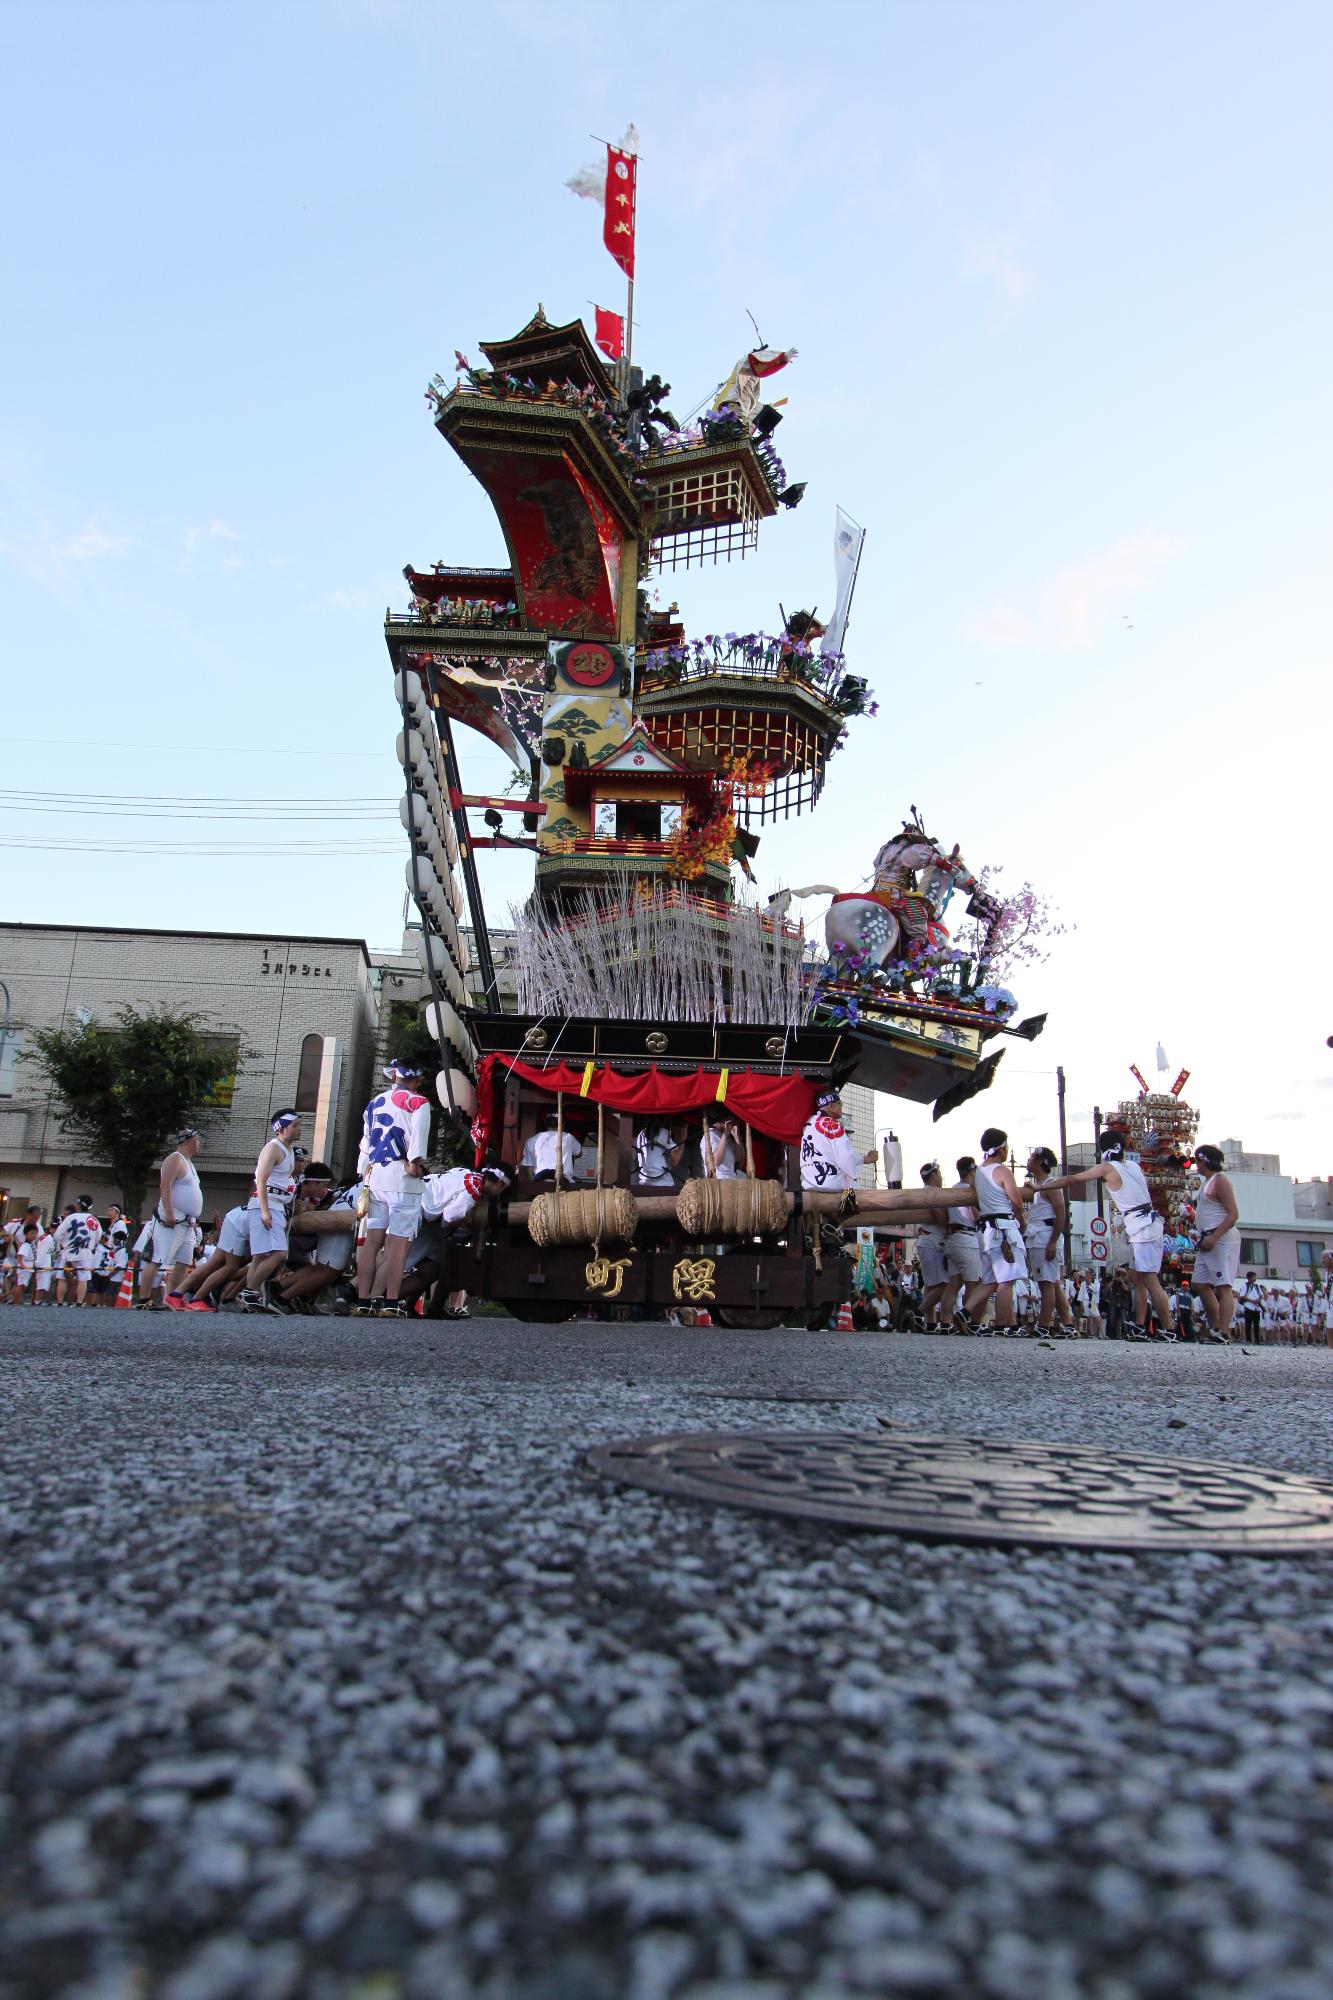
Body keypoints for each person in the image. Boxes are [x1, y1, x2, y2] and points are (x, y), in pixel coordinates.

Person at [1041, 1132, 1176, 1342]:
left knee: (1149, 1279)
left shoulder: (1107, 1168)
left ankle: (1169, 1329)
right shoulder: (1134, 1166)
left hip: (1141, 1227)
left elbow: (1072, 1179)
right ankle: (1140, 1326)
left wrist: (1041, 1186)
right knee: (1137, 1278)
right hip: (1147, 1223)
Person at [353, 1059, 433, 1316]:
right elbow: (418, 1138)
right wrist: (415, 1161)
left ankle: (363, 1300)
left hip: (375, 1174)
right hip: (402, 1175)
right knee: (398, 1243)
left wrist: (362, 1174)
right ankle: (390, 1302)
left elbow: (365, 1143)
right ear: (416, 1078)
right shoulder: (418, 1102)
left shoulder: (374, 1103)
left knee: (373, 1240)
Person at [957, 1128, 1027, 1334]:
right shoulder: (1002, 1171)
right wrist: (1021, 1221)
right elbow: (1017, 1201)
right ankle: (1001, 1326)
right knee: (1006, 1281)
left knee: (990, 1281)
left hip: (986, 1231)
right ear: (1002, 1148)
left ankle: (964, 1312)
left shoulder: (978, 1173)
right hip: (1004, 1228)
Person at [237, 1110, 303, 1311]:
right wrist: (265, 1210)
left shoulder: (288, 1149)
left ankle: (250, 1297)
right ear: (282, 1128)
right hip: (266, 1205)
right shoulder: (273, 1148)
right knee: (279, 1253)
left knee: (260, 1256)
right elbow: (262, 1180)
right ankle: (249, 1291)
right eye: (296, 1125)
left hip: (275, 1205)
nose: (300, 1129)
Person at [139, 1130, 205, 1307]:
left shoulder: (188, 1163)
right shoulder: (175, 1159)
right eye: (196, 1141)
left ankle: (174, 1298)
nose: (198, 1144)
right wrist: (168, 1212)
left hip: (187, 1223)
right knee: (156, 1258)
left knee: (183, 1262)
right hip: (172, 1219)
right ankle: (143, 1299)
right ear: (187, 1141)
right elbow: (165, 1185)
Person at [1190, 1143, 1239, 1343]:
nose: (1196, 1165)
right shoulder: (1206, 1182)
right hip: (1208, 1238)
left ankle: (1224, 1331)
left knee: (1223, 1285)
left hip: (1221, 1239)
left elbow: (1233, 1213)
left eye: (1197, 1161)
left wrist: (1215, 1236)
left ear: (1205, 1161)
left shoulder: (1220, 1181)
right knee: (1200, 1284)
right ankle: (1217, 1326)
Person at [1022, 1147, 1070, 1333]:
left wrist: (1052, 1242)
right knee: (1050, 1282)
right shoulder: (1035, 1185)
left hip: (1045, 1236)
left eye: (1032, 1157)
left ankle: (1043, 1325)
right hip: (1037, 1236)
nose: (1029, 1159)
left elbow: (1061, 1214)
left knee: (1046, 1283)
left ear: (1041, 1162)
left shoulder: (1051, 1184)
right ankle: (1067, 1323)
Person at [799, 1090, 876, 1192]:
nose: (841, 1107)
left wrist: (866, 1159)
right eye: (840, 1104)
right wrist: (854, 1175)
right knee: (860, 1191)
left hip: (808, 1183)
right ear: (831, 1105)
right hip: (831, 1182)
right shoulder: (832, 1124)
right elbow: (846, 1158)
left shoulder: (807, 1124)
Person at [943, 1157, 982, 1330]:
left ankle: (944, 1322)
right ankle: (971, 1322)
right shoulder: (971, 1191)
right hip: (967, 1238)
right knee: (972, 1284)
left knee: (953, 1284)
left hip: (952, 1238)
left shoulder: (952, 1190)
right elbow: (976, 1216)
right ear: (972, 1171)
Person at [913, 1163, 950, 1330]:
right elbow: (939, 1215)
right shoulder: (931, 1193)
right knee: (944, 1285)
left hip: (925, 1240)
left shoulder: (923, 1192)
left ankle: (930, 1322)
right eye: (940, 1174)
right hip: (932, 1241)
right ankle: (918, 1312)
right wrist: (949, 1224)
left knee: (931, 1285)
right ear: (933, 1175)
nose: (941, 1177)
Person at [54, 1197, 103, 1308]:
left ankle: (60, 1302)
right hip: (85, 1251)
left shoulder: (71, 1217)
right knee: (83, 1277)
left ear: (78, 1205)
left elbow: (57, 1235)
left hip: (68, 1250)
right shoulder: (93, 1219)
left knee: (62, 1277)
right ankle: (79, 1302)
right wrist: (91, 1245)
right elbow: (98, 1236)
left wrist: (64, 1243)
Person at [520, 1108, 581, 1188]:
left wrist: (534, 1184)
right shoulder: (568, 1138)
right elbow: (579, 1153)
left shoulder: (532, 1141)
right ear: (562, 1124)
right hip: (564, 1182)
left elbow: (529, 1167)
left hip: (540, 1181)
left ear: (545, 1123)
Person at [635, 1121, 684, 1190]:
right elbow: (675, 1161)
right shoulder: (663, 1133)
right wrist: (683, 1138)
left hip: (644, 1183)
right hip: (664, 1184)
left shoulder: (641, 1134)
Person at [701, 1111, 745, 1180]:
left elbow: (739, 1161)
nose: (736, 1123)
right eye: (734, 1120)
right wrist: (725, 1135)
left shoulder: (728, 1139)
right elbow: (716, 1161)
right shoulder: (711, 1134)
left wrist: (737, 1138)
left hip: (731, 1179)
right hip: (719, 1179)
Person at [1236, 1271, 1262, 1342]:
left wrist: (1258, 1300)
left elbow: (1261, 1294)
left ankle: (1257, 1340)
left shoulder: (1256, 1286)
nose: (1255, 1278)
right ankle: (1248, 1339)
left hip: (1256, 1308)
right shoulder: (1245, 1286)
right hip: (1249, 1307)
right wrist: (1252, 1301)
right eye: (1254, 1277)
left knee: (1256, 1324)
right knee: (1248, 1324)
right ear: (1249, 1278)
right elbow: (1242, 1296)